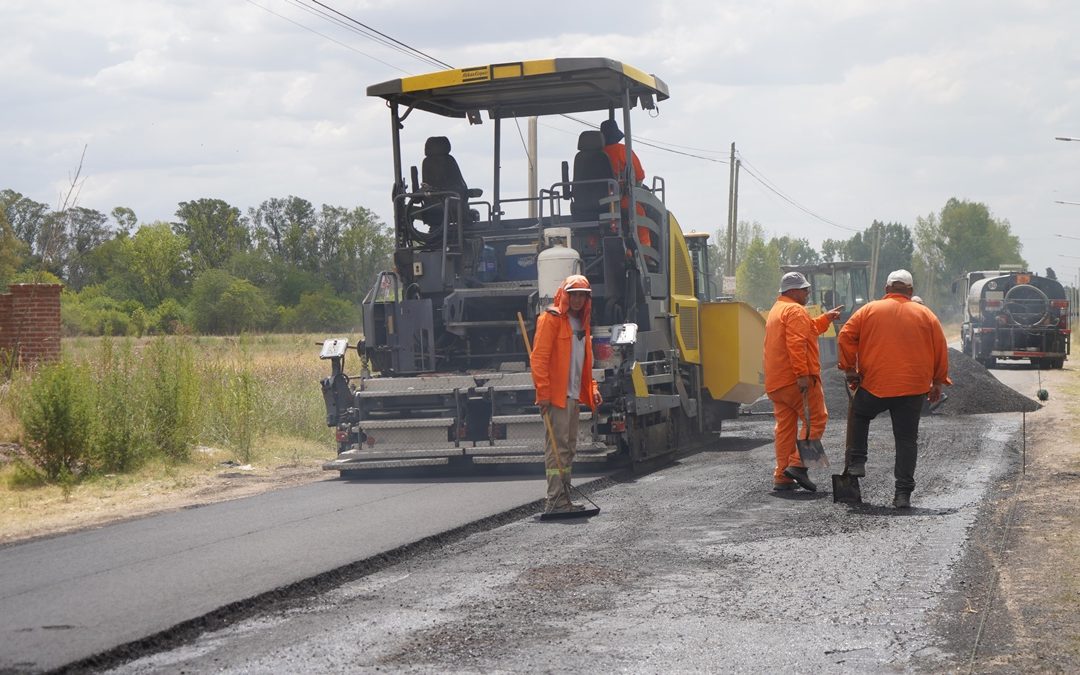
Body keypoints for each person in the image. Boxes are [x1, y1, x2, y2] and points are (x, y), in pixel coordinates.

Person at [837, 269, 951, 509]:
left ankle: (857, 461)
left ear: (887, 289)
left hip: (875, 384)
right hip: (912, 388)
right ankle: (902, 495)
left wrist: (849, 368)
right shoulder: (926, 314)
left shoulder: (868, 310)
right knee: (907, 439)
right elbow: (940, 348)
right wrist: (938, 381)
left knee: (860, 414)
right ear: (910, 291)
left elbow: (845, 336)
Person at [764, 271, 843, 492]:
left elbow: (808, 330)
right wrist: (802, 374)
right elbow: (796, 344)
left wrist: (826, 319)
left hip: (777, 383)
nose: (808, 293)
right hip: (795, 381)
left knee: (785, 429)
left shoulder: (777, 310)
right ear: (793, 291)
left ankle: (783, 476)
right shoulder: (795, 310)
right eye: (805, 289)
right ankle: (799, 466)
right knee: (816, 419)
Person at [531, 274, 603, 513]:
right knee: (557, 448)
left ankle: (565, 497)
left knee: (569, 448)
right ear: (565, 295)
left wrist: (592, 389)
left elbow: (583, 364)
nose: (578, 299)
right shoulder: (550, 320)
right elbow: (539, 360)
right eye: (574, 295)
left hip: (572, 396)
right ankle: (555, 500)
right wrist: (543, 393)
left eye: (582, 295)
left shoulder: (582, 324)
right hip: (556, 397)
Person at [599, 119, 653, 252]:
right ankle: (645, 253)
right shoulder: (623, 151)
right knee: (639, 212)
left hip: (594, 205)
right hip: (620, 201)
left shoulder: (594, 156)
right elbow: (639, 176)